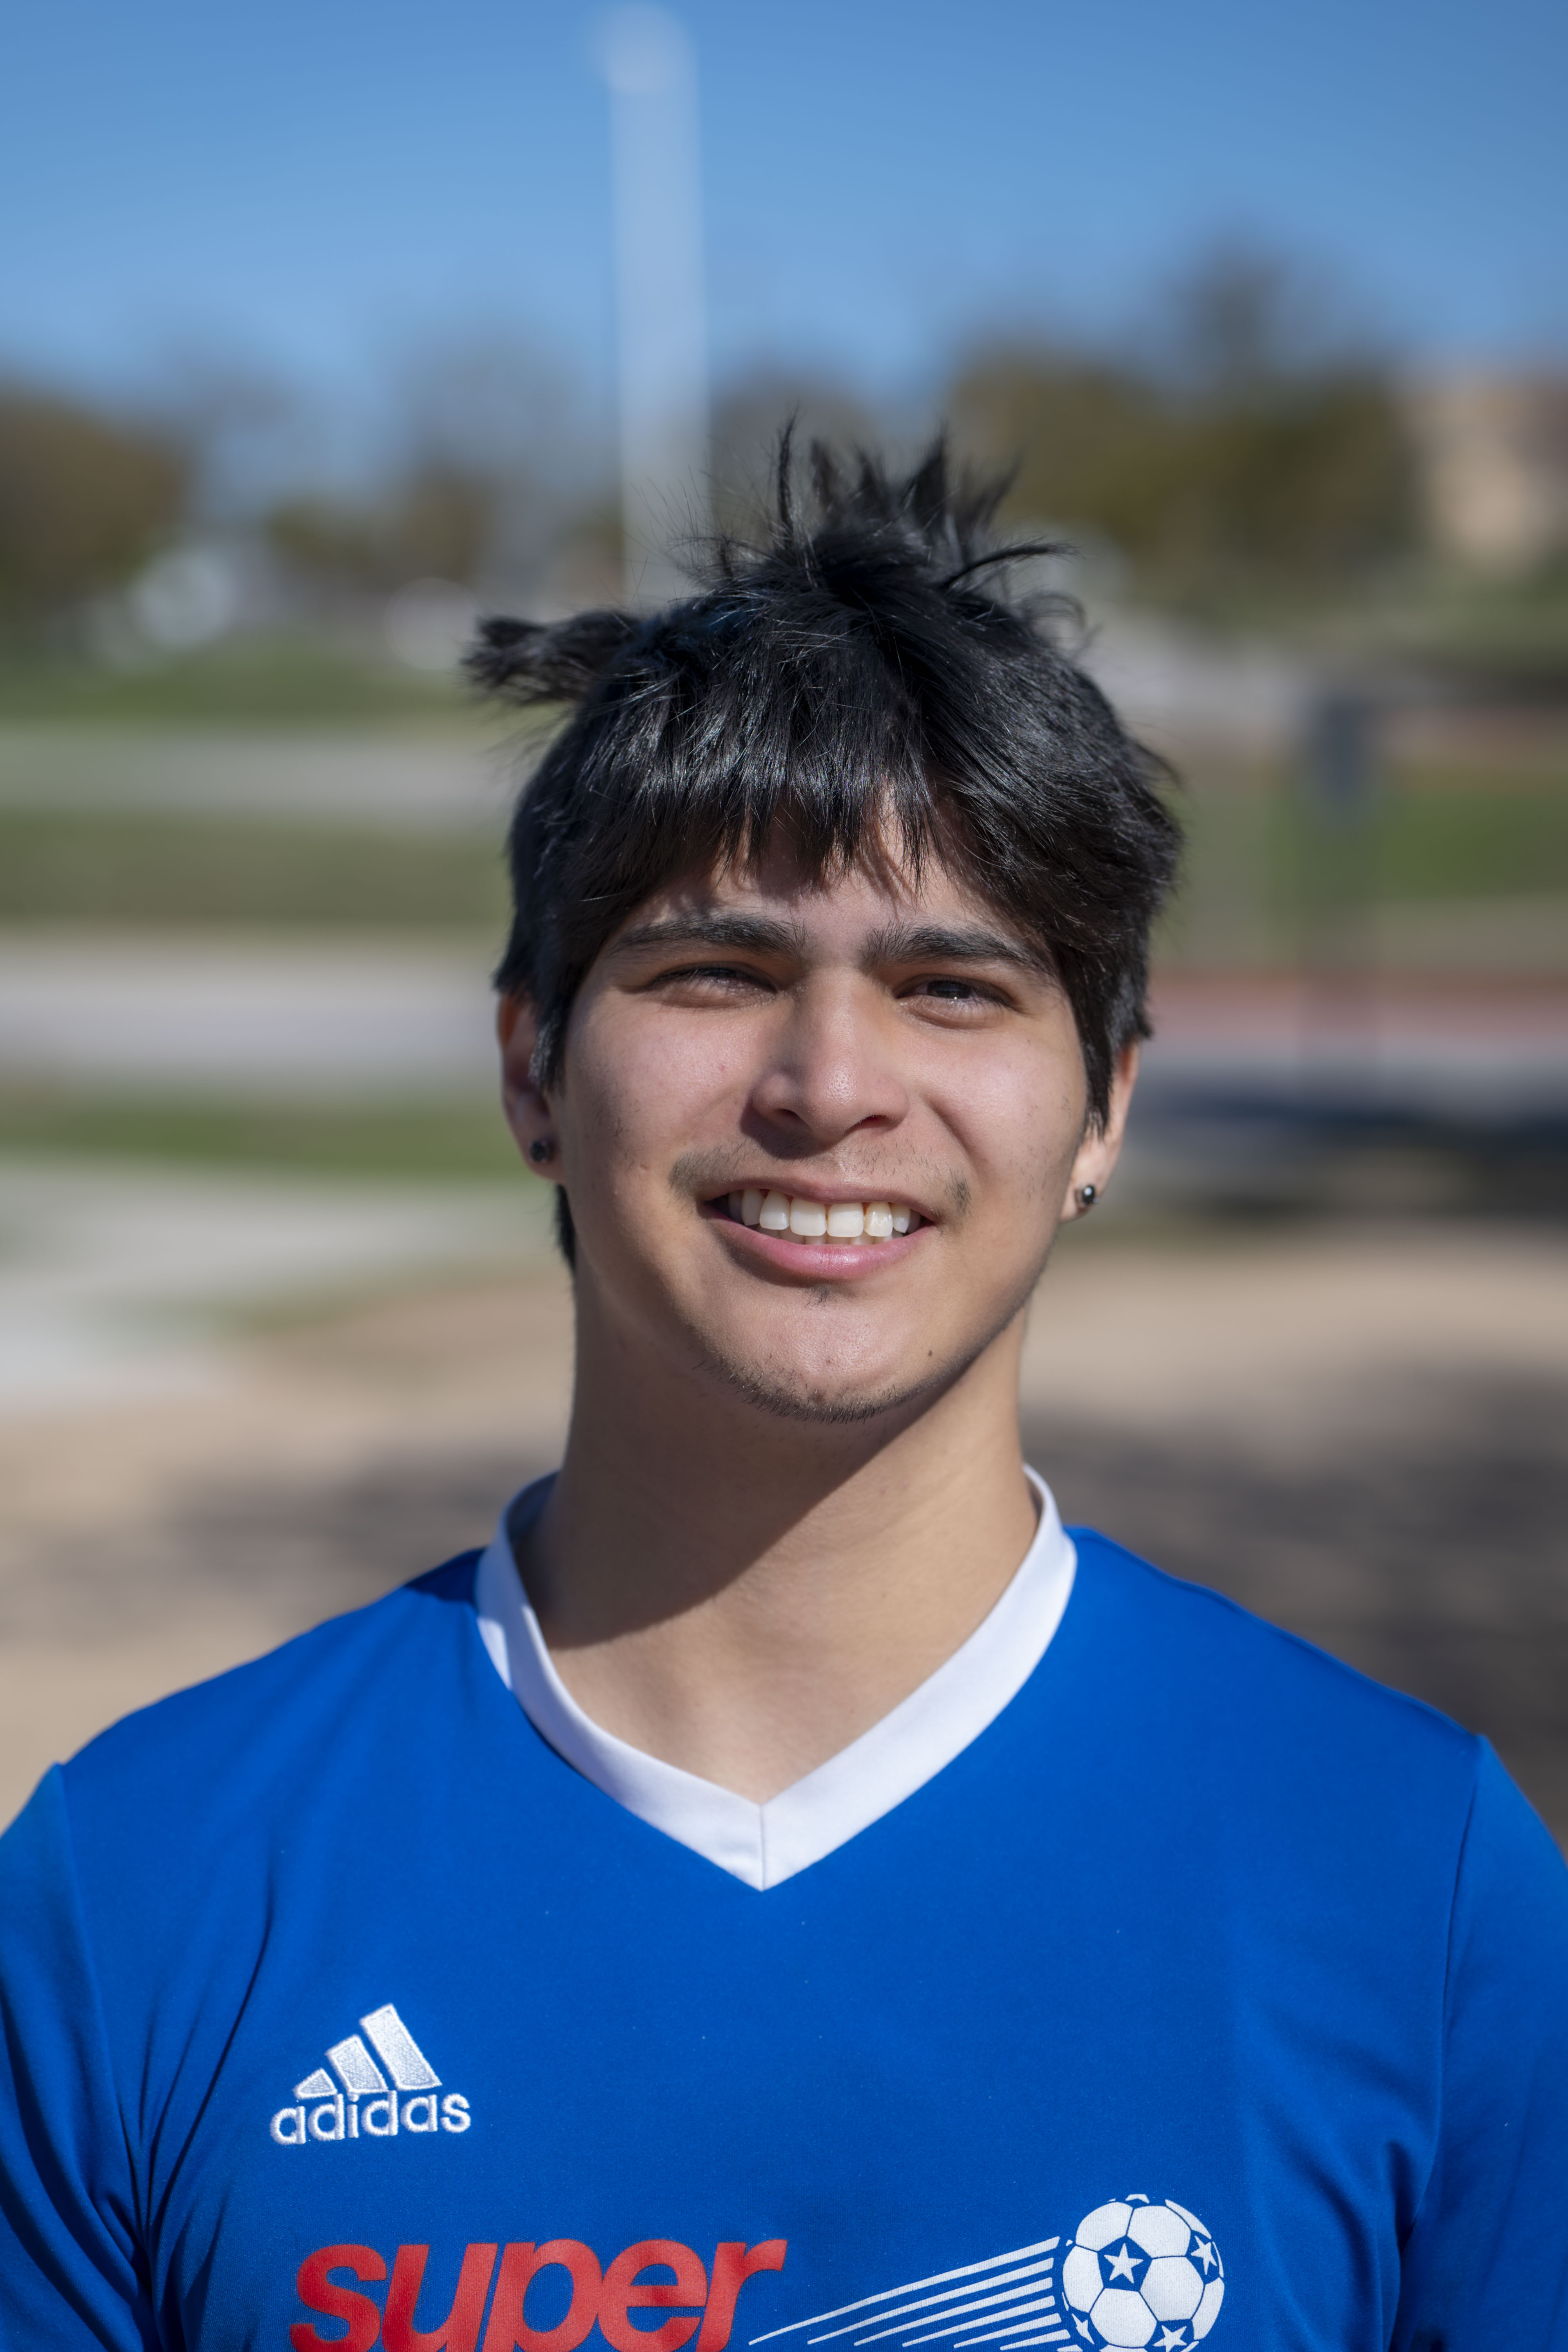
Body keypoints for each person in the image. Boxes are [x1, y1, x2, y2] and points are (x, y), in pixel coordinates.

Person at [1, 442, 1564, 2352]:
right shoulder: (135, 1892)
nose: (830, 1086)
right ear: (531, 1069)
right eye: (717, 971)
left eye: (953, 988)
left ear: (1106, 1106)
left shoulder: (1412, 1879)